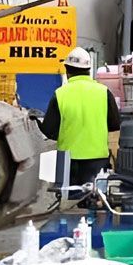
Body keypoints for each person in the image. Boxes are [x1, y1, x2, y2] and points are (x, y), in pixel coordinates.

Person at [40, 47, 121, 185]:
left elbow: (49, 132)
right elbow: (114, 124)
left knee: (68, 203)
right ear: (89, 70)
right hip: (98, 161)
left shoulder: (60, 94)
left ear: (67, 69)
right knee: (96, 201)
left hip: (67, 163)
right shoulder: (104, 92)